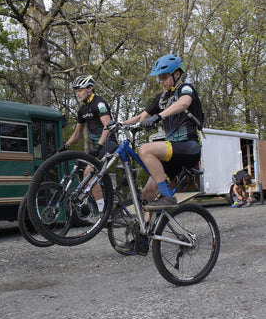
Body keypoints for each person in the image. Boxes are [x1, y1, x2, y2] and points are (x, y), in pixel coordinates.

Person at [123, 54, 202, 214]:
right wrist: (121, 124)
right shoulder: (162, 98)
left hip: (189, 147)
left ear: (177, 74)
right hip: (173, 155)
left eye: (165, 77)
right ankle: (145, 237)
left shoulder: (185, 88)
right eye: (160, 78)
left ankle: (166, 196)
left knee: (145, 149)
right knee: (147, 193)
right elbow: (142, 116)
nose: (161, 81)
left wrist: (159, 116)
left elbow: (184, 103)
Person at [60, 75, 117, 211]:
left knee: (88, 172)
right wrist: (65, 146)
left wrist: (99, 145)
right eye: (77, 91)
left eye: (80, 90)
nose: (78, 94)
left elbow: (108, 126)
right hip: (98, 146)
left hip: (108, 143)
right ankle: (101, 195)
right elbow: (77, 133)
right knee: (80, 171)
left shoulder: (99, 103)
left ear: (90, 88)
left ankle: (103, 211)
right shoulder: (82, 110)